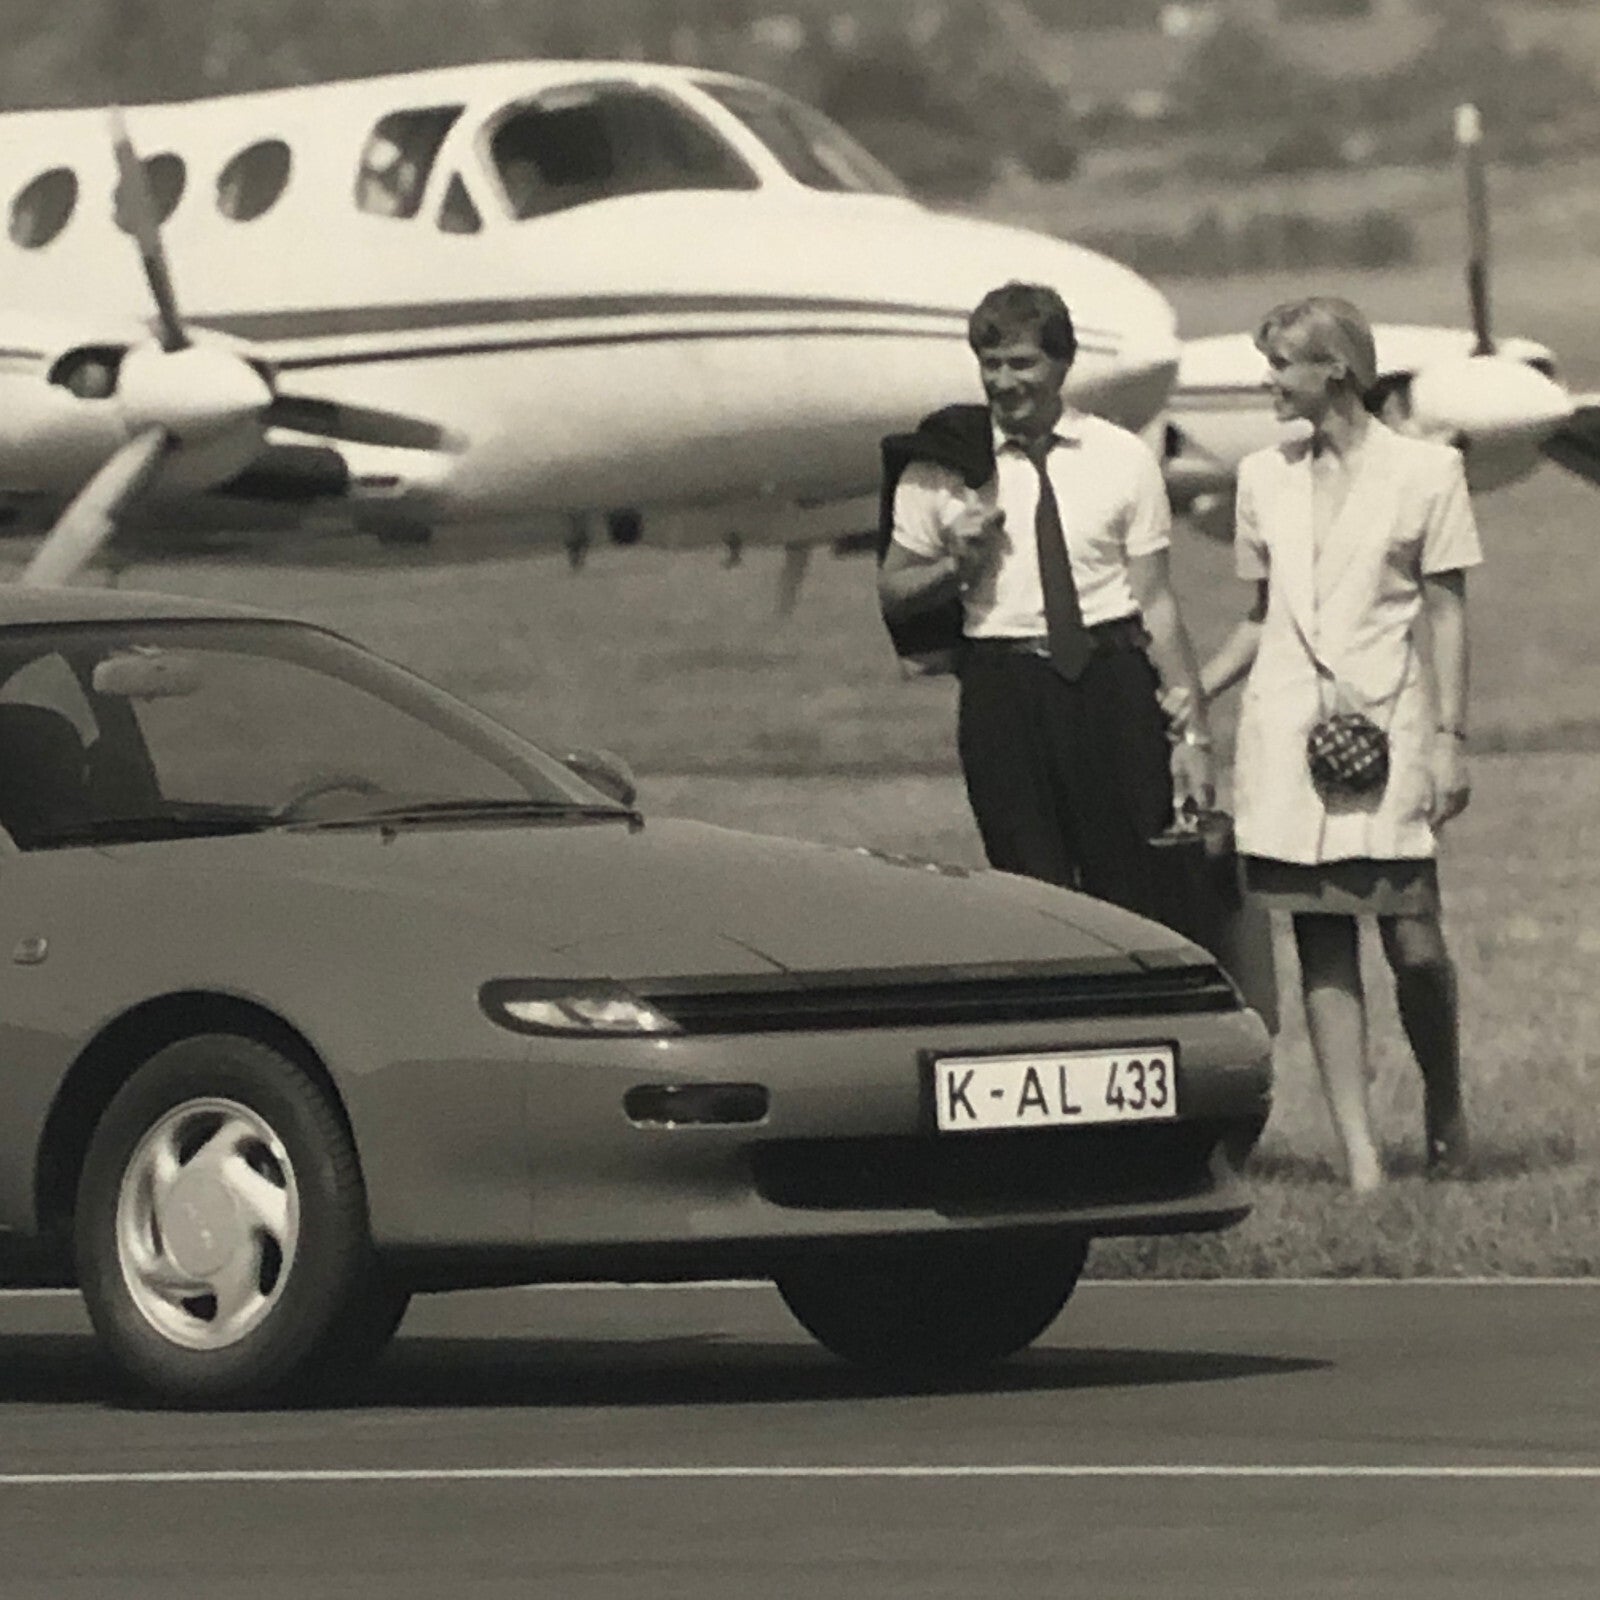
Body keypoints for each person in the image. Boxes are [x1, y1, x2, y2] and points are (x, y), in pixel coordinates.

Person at [1198, 296, 1479, 1192]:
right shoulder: (1261, 478)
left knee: (1415, 944)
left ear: (1337, 370)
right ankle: (1362, 1159)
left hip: (1390, 729)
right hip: (1290, 739)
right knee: (1321, 942)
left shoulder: (1428, 472)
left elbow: (1447, 613)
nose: (1269, 383)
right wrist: (1192, 692)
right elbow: (1261, 617)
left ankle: (1444, 1101)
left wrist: (1450, 739)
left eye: (1282, 365)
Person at [876, 281, 1214, 920]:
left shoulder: (1122, 457)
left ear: (1063, 363)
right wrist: (956, 565)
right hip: (1004, 689)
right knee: (1031, 894)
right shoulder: (945, 466)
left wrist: (1193, 736)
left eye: (1022, 363)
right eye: (991, 364)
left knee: (1137, 889)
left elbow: (1157, 604)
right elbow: (894, 592)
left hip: (1112, 680)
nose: (1005, 382)